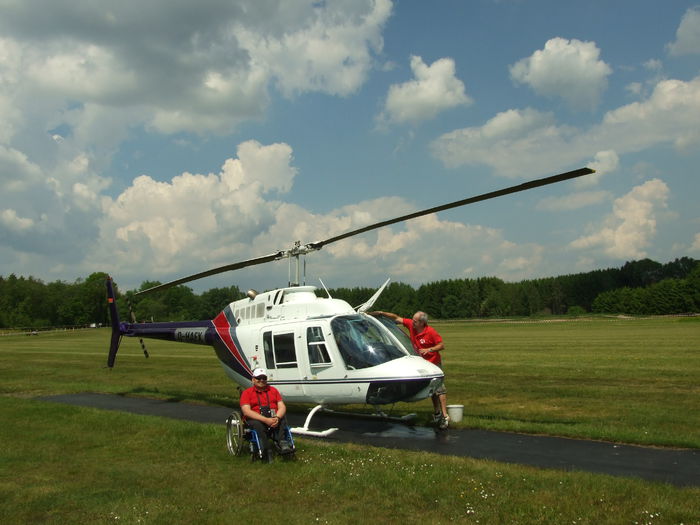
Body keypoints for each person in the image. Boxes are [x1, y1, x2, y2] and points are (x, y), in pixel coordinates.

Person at [371, 310, 449, 429]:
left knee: (440, 389)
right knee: (432, 390)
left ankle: (445, 416)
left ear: (422, 323)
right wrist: (382, 313)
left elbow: (441, 345)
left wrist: (429, 350)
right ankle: (437, 413)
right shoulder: (411, 325)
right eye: (413, 320)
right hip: (422, 363)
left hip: (434, 363)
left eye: (415, 321)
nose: (412, 322)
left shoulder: (430, 332)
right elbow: (397, 318)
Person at [240, 367, 293, 457]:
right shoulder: (247, 393)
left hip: (273, 417)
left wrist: (277, 417)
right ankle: (266, 448)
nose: (261, 380)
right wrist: (265, 420)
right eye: (258, 378)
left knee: (282, 419)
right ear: (253, 380)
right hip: (256, 419)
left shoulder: (273, 390)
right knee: (258, 424)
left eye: (264, 378)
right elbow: (246, 412)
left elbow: (282, 406)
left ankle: (283, 443)